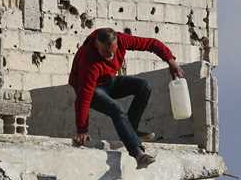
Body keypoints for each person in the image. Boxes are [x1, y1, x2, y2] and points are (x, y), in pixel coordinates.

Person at [67, 27, 184, 168]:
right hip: (92, 91)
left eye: (113, 51)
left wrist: (171, 61)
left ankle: (132, 130)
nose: (110, 56)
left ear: (117, 42)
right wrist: (82, 130)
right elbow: (83, 97)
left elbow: (151, 44)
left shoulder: (122, 40)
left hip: (109, 81)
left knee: (144, 86)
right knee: (117, 109)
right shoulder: (88, 60)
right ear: (97, 45)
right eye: (105, 53)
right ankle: (138, 154)